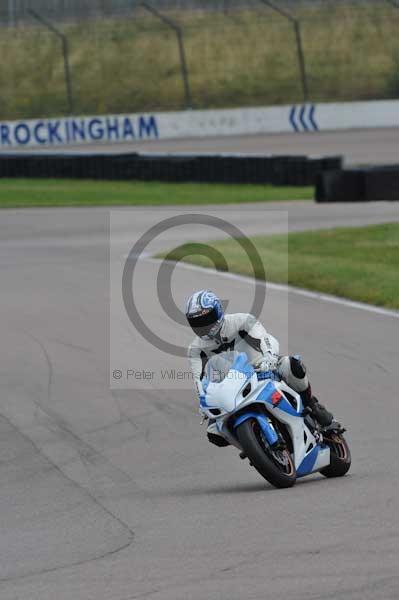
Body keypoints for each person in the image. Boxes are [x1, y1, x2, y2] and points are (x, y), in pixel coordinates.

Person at [186, 289, 334, 447]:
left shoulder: (241, 321)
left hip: (261, 369)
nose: (204, 325)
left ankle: (312, 405)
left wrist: (269, 356)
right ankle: (254, 445)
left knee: (292, 366)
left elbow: (262, 337)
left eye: (207, 318)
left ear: (218, 311)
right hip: (230, 387)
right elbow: (199, 380)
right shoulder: (195, 349)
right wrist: (203, 401)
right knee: (215, 432)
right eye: (198, 322)